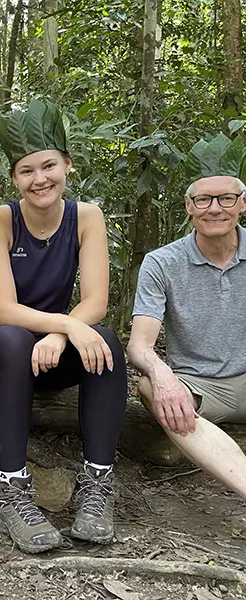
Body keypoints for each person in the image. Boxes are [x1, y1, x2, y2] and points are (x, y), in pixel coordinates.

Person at [0, 99, 127, 553]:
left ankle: (97, 485)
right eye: (27, 171)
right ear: (14, 178)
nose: (40, 179)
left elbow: (95, 300)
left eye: (49, 166)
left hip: (51, 347)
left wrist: (61, 332)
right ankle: (13, 490)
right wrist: (64, 327)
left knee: (107, 340)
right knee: (14, 338)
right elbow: (5, 310)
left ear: (67, 165)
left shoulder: (86, 216)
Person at [128, 134, 246, 503]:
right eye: (203, 199)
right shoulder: (163, 262)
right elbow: (139, 346)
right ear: (188, 206)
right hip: (199, 387)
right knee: (149, 387)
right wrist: (162, 375)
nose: (215, 208)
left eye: (226, 198)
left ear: (242, 203)